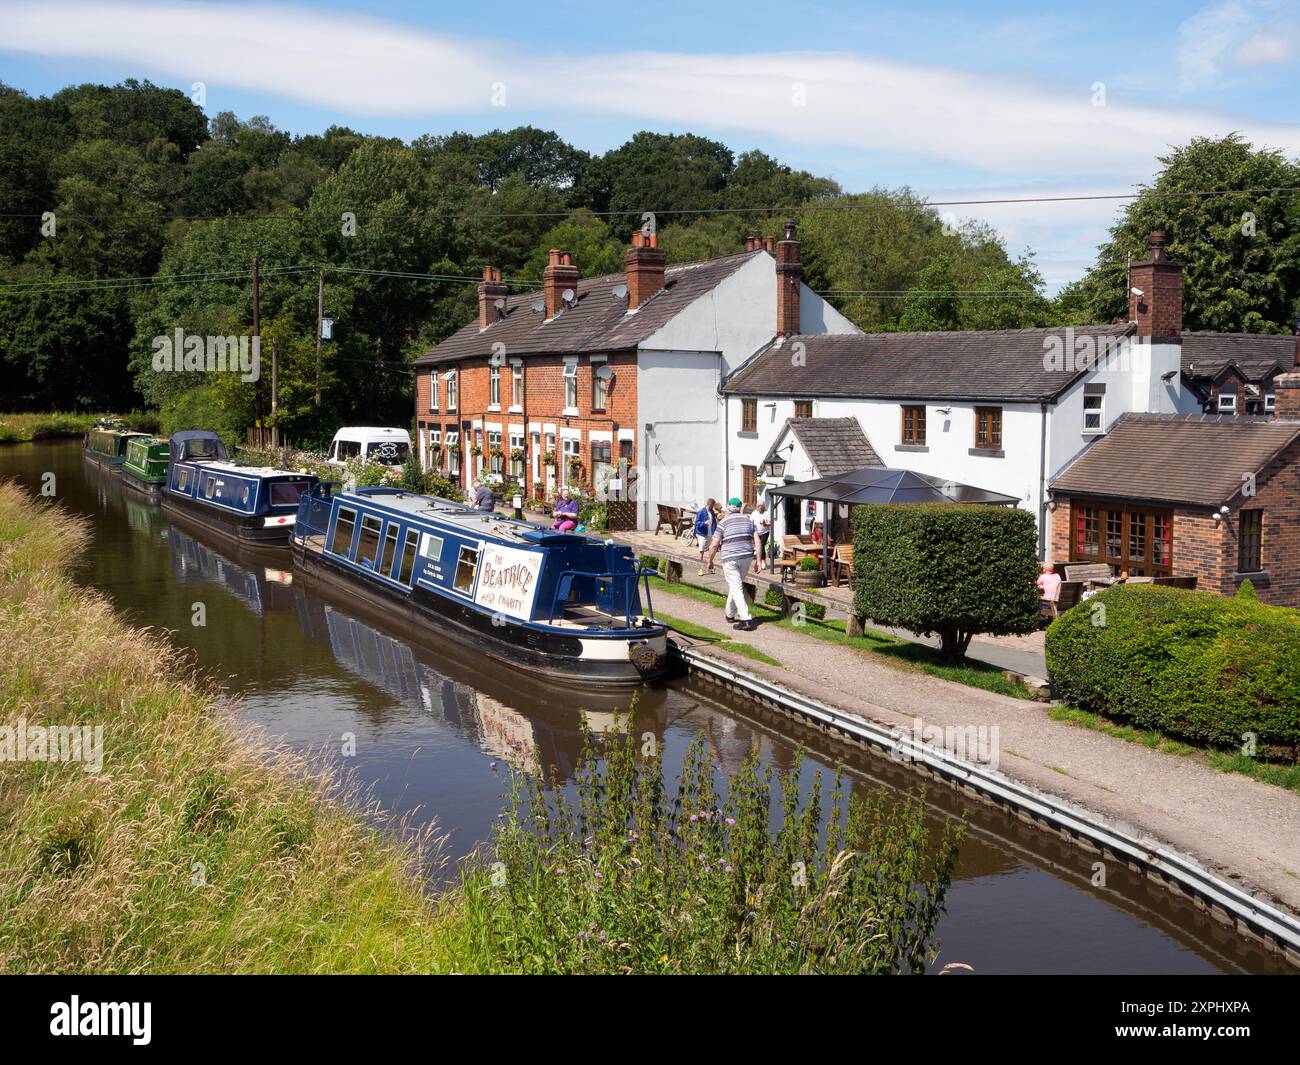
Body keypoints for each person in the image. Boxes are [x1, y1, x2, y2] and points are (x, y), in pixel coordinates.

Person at [707, 498, 763, 631]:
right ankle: (729, 614)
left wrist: (710, 560)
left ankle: (745, 619)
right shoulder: (748, 520)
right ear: (740, 508)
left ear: (728, 508)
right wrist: (759, 561)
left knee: (736, 587)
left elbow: (714, 544)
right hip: (747, 557)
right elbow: (757, 540)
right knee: (735, 585)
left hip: (730, 558)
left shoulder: (723, 523)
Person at [694, 498, 718, 576]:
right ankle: (700, 569)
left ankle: (709, 568)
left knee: (711, 551)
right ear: (708, 504)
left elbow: (714, 523)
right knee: (701, 552)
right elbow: (697, 523)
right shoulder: (701, 512)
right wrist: (704, 523)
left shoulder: (712, 512)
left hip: (710, 534)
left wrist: (716, 533)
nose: (713, 507)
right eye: (712, 506)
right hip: (702, 534)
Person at [750, 501, 771, 569]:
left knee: (761, 546)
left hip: (765, 532)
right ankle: (759, 562)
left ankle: (763, 562)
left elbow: (770, 523)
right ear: (757, 506)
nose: (760, 507)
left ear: (764, 507)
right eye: (759, 506)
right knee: (758, 547)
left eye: (761, 506)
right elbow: (751, 521)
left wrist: (765, 524)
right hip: (756, 533)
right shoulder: (754, 513)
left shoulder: (767, 513)